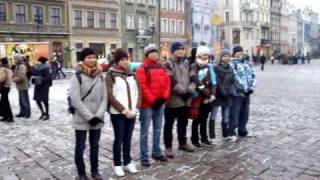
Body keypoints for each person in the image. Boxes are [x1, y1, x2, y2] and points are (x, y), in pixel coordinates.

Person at [70, 48, 106, 180]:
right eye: (88, 57)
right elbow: (75, 100)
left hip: (97, 117)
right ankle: (81, 173)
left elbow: (104, 98)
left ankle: (95, 171)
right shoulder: (77, 76)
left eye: (93, 57)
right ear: (83, 59)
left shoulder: (100, 76)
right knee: (80, 146)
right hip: (82, 118)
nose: (92, 60)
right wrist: (89, 117)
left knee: (95, 146)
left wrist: (98, 115)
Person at [136, 44, 171, 167]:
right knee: (144, 131)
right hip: (147, 105)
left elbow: (167, 83)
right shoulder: (142, 68)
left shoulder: (161, 67)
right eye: (152, 52)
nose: (155, 54)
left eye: (156, 52)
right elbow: (143, 87)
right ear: (147, 54)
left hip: (160, 103)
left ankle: (156, 152)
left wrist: (164, 98)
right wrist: (153, 101)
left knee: (157, 129)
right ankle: (144, 156)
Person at [106, 48, 138, 177]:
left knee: (128, 139)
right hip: (118, 114)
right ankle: (117, 164)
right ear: (117, 61)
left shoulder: (131, 74)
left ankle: (127, 162)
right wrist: (123, 110)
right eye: (122, 59)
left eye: (127, 59)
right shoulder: (111, 75)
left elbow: (137, 92)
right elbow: (110, 97)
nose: (125, 62)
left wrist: (135, 108)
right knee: (119, 139)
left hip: (131, 112)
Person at [163, 42, 195, 158]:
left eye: (182, 49)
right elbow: (171, 81)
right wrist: (185, 92)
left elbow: (192, 77)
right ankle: (168, 147)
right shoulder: (167, 64)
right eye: (178, 49)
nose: (181, 51)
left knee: (183, 124)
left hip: (185, 101)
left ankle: (182, 143)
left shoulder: (186, 63)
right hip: (172, 101)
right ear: (173, 51)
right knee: (169, 125)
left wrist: (191, 88)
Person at [189, 46, 217, 149]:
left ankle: (204, 138)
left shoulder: (209, 67)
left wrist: (212, 94)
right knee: (196, 119)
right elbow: (195, 79)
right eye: (204, 54)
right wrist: (207, 93)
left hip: (208, 98)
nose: (206, 56)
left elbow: (214, 82)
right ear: (199, 55)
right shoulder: (194, 66)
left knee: (204, 118)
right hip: (198, 97)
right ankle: (195, 139)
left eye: (207, 54)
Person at [228, 46, 257, 142]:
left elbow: (253, 75)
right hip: (237, 93)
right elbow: (235, 77)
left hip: (247, 92)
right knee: (235, 112)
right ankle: (231, 131)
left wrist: (251, 87)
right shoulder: (232, 64)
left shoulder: (247, 63)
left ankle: (242, 129)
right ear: (234, 53)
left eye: (241, 51)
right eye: (237, 52)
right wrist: (243, 88)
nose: (240, 53)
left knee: (245, 112)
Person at [210, 49, 236, 142]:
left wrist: (231, 91)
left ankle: (225, 134)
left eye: (228, 56)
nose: (227, 58)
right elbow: (217, 82)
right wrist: (223, 92)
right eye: (225, 56)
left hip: (228, 95)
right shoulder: (216, 68)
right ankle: (212, 136)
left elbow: (233, 82)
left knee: (225, 116)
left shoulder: (231, 68)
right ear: (221, 58)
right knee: (213, 116)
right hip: (219, 95)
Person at [0, 58, 14, 122]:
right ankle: (5, 116)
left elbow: (2, 78)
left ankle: (10, 116)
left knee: (5, 102)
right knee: (4, 101)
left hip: (4, 86)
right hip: (8, 86)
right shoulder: (9, 68)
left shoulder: (3, 68)